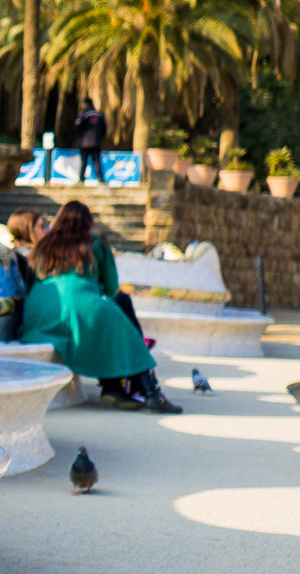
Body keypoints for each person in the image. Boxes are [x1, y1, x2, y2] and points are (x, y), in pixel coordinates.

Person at [17, 201, 182, 414]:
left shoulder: (43, 244)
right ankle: (152, 394)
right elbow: (112, 286)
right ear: (88, 221)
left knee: (108, 320)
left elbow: (31, 280)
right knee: (122, 324)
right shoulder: (93, 240)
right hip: (80, 302)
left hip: (39, 312)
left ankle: (113, 388)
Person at [74, 99, 108, 185]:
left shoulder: (84, 113)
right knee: (96, 160)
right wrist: (100, 138)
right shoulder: (99, 114)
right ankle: (100, 178)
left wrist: (80, 135)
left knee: (84, 161)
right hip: (96, 142)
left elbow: (77, 125)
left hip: (84, 143)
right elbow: (104, 128)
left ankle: (81, 179)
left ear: (85, 104)